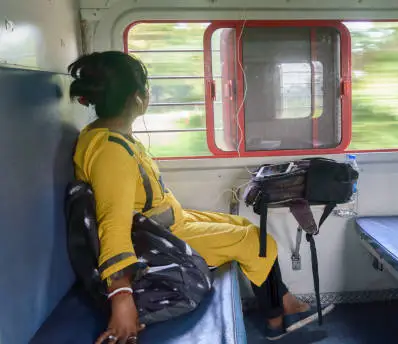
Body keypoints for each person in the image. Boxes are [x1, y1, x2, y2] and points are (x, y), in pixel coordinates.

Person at [68, 51, 333, 344]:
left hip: (164, 224)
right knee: (258, 242)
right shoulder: (110, 152)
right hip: (156, 240)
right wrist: (121, 295)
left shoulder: (113, 136)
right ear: (136, 96)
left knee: (243, 227)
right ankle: (278, 319)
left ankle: (282, 308)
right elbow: (112, 223)